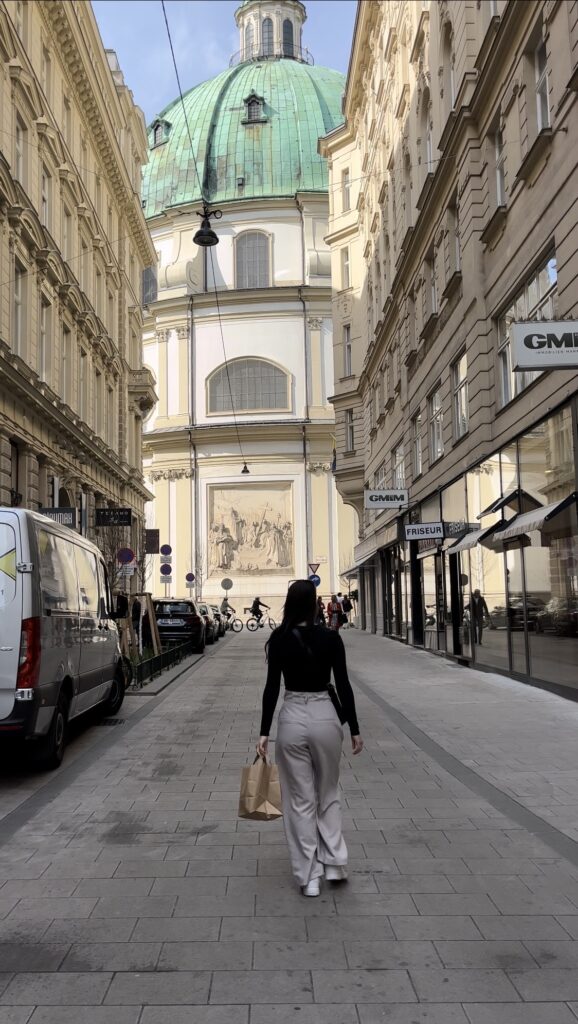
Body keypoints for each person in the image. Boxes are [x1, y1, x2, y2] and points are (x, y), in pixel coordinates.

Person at [257, 580, 363, 897]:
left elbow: (271, 688)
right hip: (325, 716)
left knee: (300, 801)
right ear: (316, 603)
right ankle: (335, 864)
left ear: (289, 603)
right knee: (328, 792)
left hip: (291, 717)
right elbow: (343, 685)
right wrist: (355, 728)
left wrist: (264, 732)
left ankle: (310, 877)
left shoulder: (278, 639)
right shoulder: (331, 638)